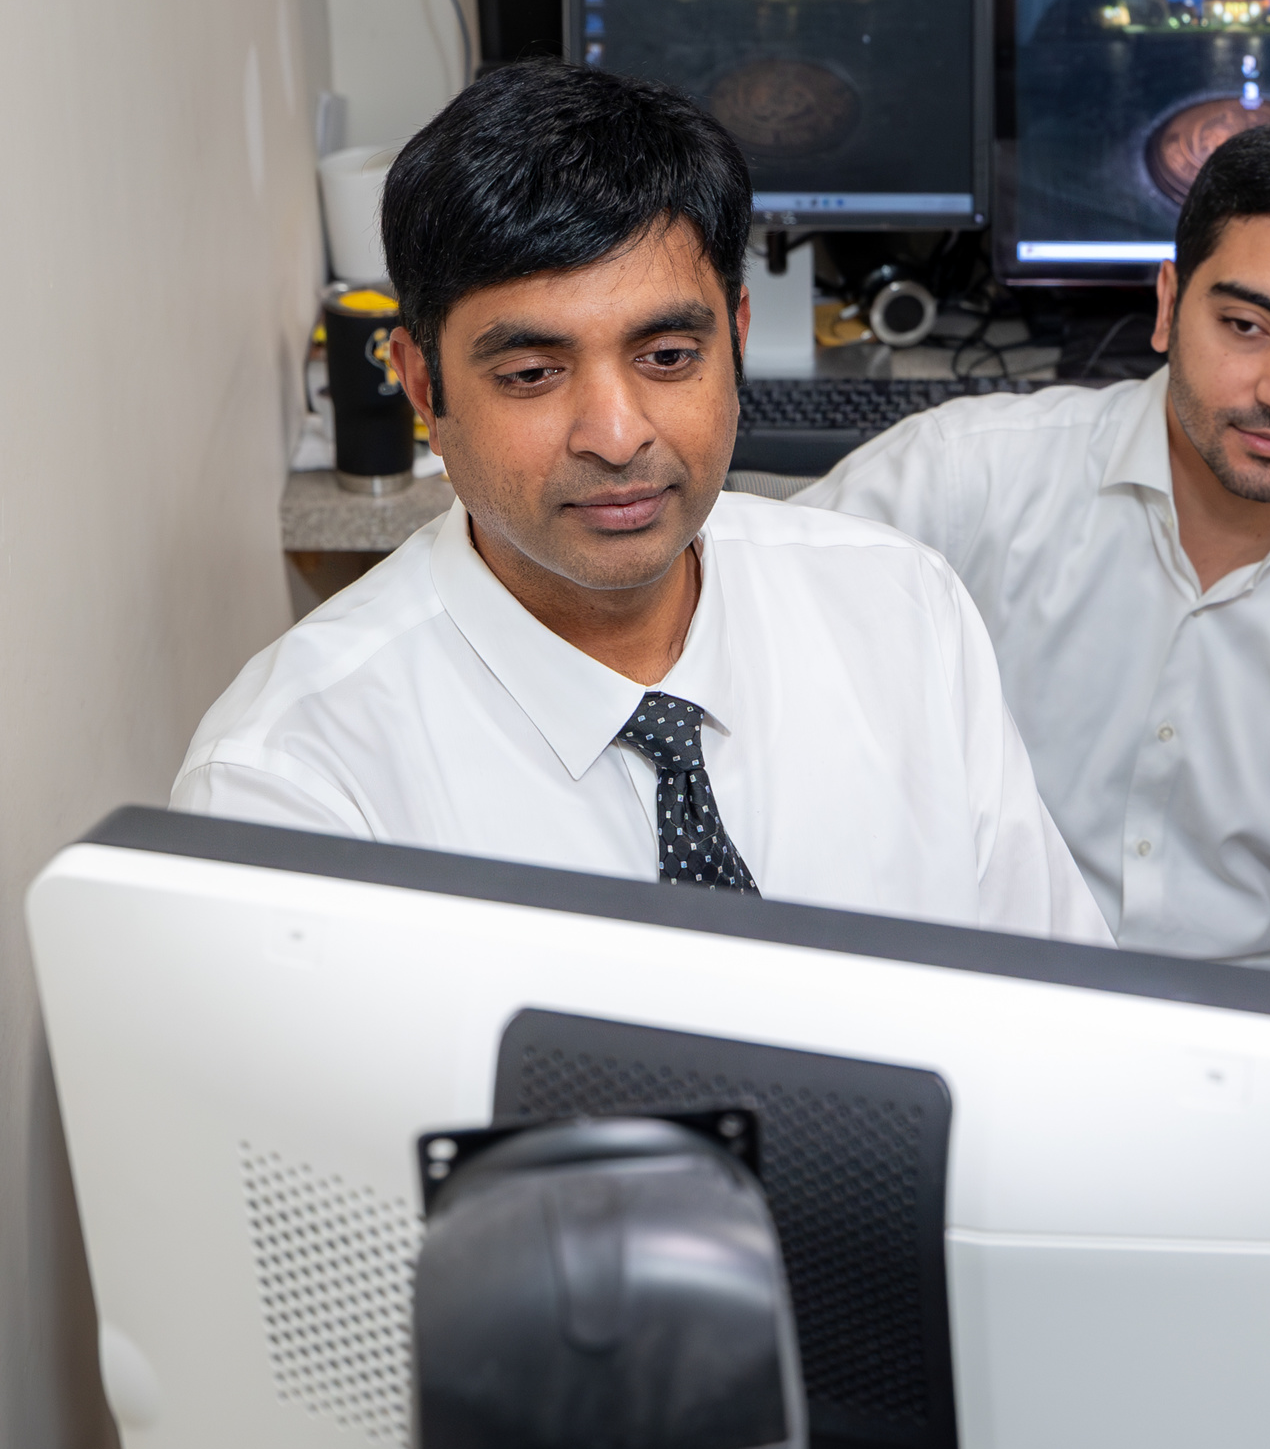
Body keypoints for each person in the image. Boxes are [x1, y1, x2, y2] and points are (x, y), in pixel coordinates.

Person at [175, 62, 1105, 942]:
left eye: (667, 358)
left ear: (736, 339)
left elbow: (1066, 1009)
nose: (617, 437)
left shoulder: (902, 614)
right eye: (534, 373)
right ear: (421, 387)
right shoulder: (294, 782)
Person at [800, 126, 1270, 995]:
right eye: (1247, 326)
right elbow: (736, 641)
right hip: (971, 1010)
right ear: (1169, 304)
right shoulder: (962, 483)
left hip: (1255, 1075)